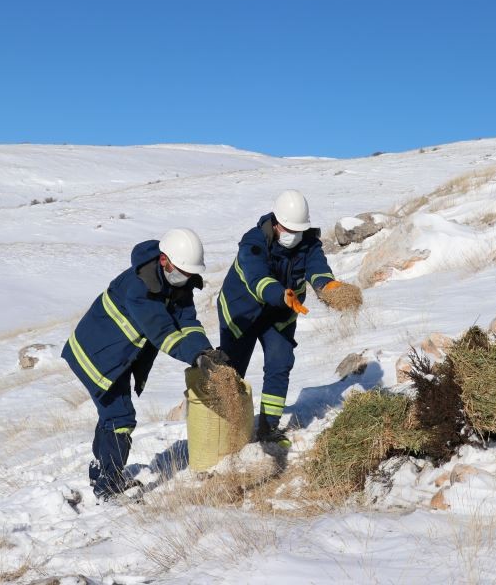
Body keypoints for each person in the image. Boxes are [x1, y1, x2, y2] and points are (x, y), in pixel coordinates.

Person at [62, 228, 227, 500]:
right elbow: (164, 332)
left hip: (117, 357)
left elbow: (187, 322)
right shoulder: (139, 287)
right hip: (96, 358)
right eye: (182, 272)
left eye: (189, 274)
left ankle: (100, 469)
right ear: (164, 260)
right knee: (120, 418)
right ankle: (108, 487)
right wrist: (195, 357)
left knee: (111, 416)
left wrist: (204, 351)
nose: (185, 278)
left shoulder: (177, 283)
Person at [217, 190, 352, 447]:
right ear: (276, 223)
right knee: (232, 372)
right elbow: (258, 278)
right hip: (241, 313)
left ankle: (268, 427)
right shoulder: (254, 241)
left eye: (298, 230)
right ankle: (226, 431)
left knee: (280, 363)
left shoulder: (309, 243)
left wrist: (328, 286)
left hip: (279, 315)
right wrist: (280, 294)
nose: (293, 235)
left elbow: (317, 269)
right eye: (288, 228)